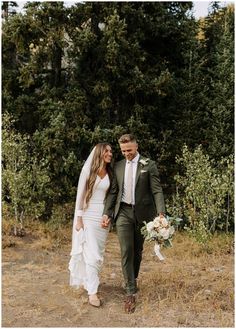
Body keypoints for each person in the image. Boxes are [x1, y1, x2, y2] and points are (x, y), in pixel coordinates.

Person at [101, 134, 165, 313]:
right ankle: (130, 291)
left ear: (136, 146)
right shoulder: (118, 166)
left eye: (129, 150)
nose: (126, 154)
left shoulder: (148, 164)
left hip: (143, 214)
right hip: (123, 213)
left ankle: (132, 279)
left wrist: (161, 212)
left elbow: (157, 190)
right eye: (123, 151)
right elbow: (113, 192)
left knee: (137, 251)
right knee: (126, 250)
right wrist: (107, 212)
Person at [69, 143, 112, 307]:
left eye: (110, 151)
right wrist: (79, 219)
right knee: (92, 254)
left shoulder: (110, 172)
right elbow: (80, 196)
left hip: (103, 218)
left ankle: (90, 282)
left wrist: (108, 215)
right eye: (107, 151)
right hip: (88, 216)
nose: (110, 154)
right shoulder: (88, 171)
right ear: (100, 153)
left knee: (98, 254)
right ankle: (92, 293)